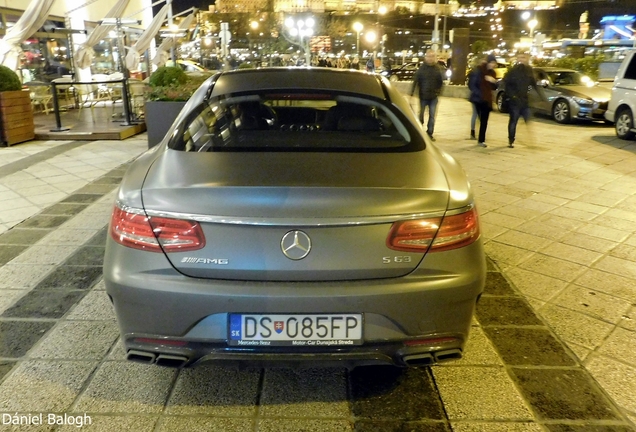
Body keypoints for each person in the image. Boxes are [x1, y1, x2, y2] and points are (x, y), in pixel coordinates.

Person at [501, 52, 536, 148]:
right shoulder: (513, 70)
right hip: (514, 101)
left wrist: (539, 94)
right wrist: (512, 96)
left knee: (528, 118)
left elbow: (533, 83)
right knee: (513, 120)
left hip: (524, 99)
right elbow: (506, 83)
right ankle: (511, 140)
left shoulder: (529, 70)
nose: (521, 59)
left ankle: (528, 139)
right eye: (519, 57)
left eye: (523, 57)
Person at [410, 49, 444, 141]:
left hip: (433, 97)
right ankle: (419, 132)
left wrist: (438, 92)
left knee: (432, 116)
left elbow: (440, 82)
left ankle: (430, 133)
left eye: (432, 56)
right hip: (423, 96)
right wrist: (412, 94)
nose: (430, 58)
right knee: (420, 115)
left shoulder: (437, 69)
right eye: (429, 56)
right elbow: (415, 81)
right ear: (425, 57)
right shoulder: (422, 69)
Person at [468, 54, 498, 147]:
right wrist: (480, 94)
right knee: (479, 117)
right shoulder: (478, 71)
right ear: (488, 62)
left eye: (494, 63)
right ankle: (474, 133)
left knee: (484, 120)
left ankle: (481, 140)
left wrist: (493, 81)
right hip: (478, 99)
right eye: (492, 62)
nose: (493, 65)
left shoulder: (492, 73)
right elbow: (471, 85)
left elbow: (494, 87)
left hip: (487, 99)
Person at [466, 58, 486, 139]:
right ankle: (473, 131)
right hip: (476, 97)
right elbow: (472, 85)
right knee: (476, 114)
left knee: (479, 115)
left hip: (481, 97)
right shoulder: (476, 72)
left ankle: (476, 132)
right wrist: (479, 93)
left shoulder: (483, 72)